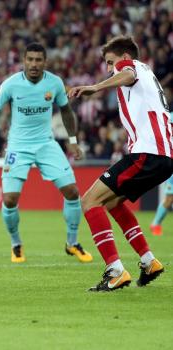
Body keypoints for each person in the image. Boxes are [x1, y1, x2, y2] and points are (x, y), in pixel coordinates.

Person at [69, 35, 172, 291]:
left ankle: (115, 270)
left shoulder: (130, 66)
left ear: (125, 57)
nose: (108, 67)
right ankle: (149, 262)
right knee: (113, 203)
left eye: (110, 61)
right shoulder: (148, 73)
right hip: (164, 155)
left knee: (90, 201)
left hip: (148, 152)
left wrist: (95, 87)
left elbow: (126, 74)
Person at [0, 43, 92, 264]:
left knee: (72, 191)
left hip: (46, 144)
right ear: (23, 60)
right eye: (30, 59)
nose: (33, 64)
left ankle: (72, 243)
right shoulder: (11, 85)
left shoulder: (54, 83)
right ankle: (16, 244)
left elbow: (67, 111)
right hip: (18, 146)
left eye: (38, 60)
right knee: (10, 199)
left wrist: (72, 141)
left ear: (45, 62)